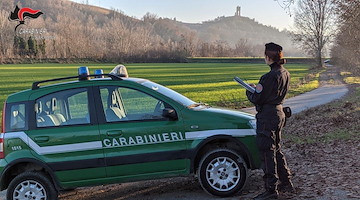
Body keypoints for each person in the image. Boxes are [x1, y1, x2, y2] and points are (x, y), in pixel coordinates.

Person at [246, 42, 295, 200]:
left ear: (268, 57)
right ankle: (286, 183)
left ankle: (270, 190)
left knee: (267, 152)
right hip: (279, 113)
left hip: (267, 116)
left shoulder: (268, 77)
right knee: (277, 149)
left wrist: (249, 90)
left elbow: (257, 98)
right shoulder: (285, 73)